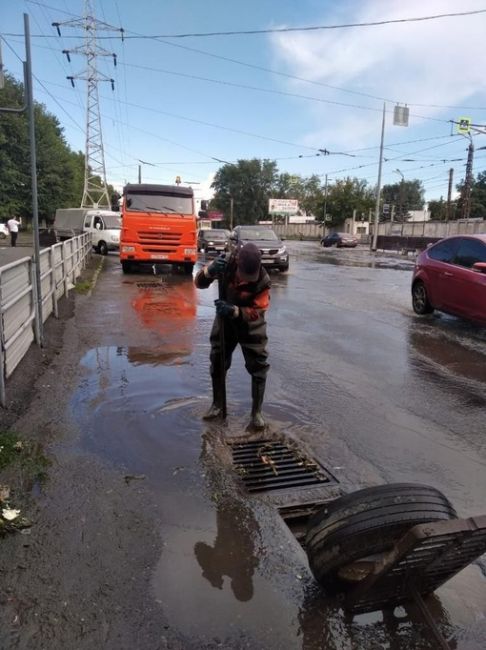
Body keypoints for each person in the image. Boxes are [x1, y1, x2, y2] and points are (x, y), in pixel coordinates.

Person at [194, 242, 271, 429]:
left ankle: (256, 413)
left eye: (249, 277)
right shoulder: (225, 264)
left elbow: (258, 311)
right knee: (218, 360)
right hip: (225, 324)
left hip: (250, 325)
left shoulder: (262, 280)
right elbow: (199, 283)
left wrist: (235, 310)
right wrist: (209, 271)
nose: (246, 279)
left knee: (259, 366)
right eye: (243, 275)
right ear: (237, 261)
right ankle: (217, 405)